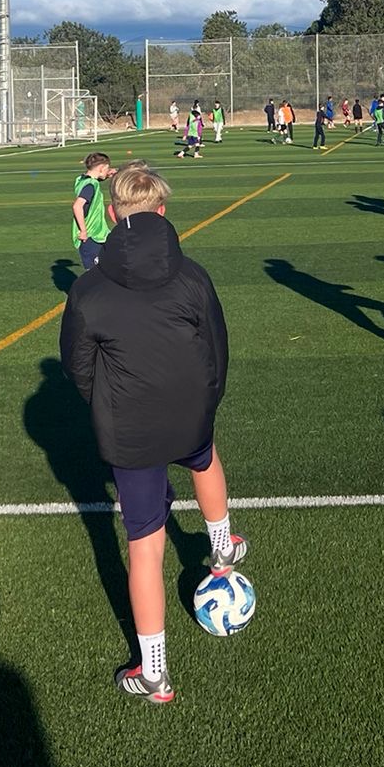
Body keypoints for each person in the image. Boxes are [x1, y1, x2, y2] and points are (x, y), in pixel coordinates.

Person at [63, 162, 246, 703]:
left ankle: (155, 673)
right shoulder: (193, 276)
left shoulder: (89, 288)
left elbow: (78, 368)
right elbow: (217, 349)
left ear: (112, 211)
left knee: (145, 542)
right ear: (162, 211)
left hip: (131, 428)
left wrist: (107, 405)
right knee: (203, 458)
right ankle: (222, 548)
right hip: (190, 410)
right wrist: (205, 401)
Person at [71, 152, 116, 269]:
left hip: (97, 235)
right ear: (101, 168)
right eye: (106, 169)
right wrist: (83, 231)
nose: (108, 171)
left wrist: (106, 175)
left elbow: (92, 180)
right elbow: (77, 206)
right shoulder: (91, 185)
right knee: (95, 273)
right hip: (91, 236)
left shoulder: (81, 180)